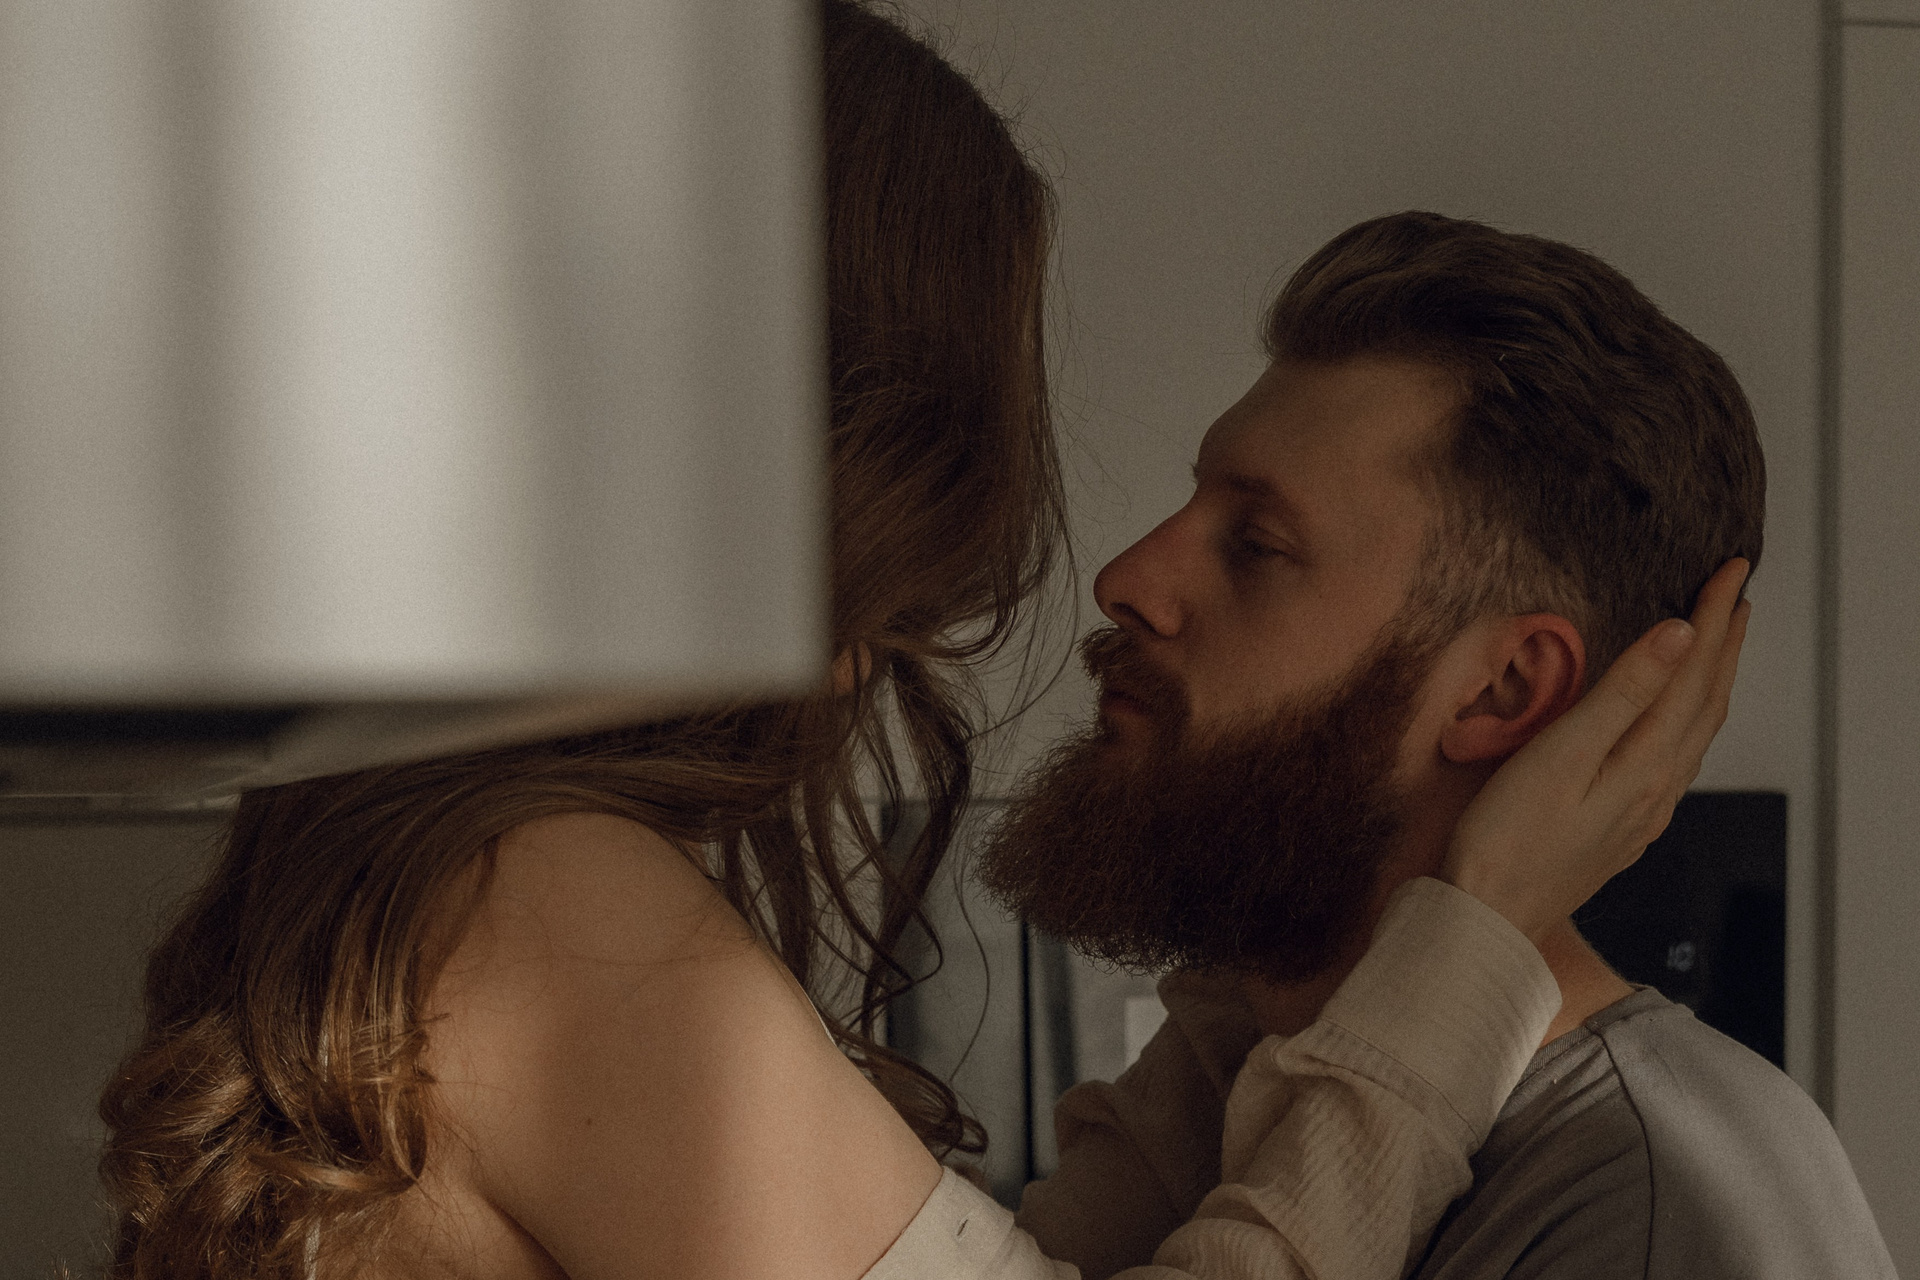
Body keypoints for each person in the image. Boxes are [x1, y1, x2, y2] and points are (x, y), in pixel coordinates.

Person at [95, 11, 1742, 1280]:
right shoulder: (540, 905)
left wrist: (1297, 958)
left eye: (1256, 543)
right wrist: (1465, 948)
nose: (1119, 577)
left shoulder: (436, 853)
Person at [980, 211, 1896, 1279]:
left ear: (1505, 689)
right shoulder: (1230, 1090)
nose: (1128, 579)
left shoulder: (1649, 1200)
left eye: (1257, 545)